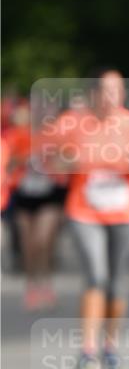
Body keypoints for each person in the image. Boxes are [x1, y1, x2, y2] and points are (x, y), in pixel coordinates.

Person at [44, 70, 129, 369]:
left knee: (117, 284)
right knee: (96, 276)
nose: (111, 97)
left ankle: (110, 345)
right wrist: (79, 159)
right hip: (84, 211)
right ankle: (87, 349)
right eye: (105, 91)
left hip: (125, 211)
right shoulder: (73, 122)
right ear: (94, 94)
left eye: (116, 91)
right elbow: (51, 161)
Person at [4, 99, 67, 310]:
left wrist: (54, 161)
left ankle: (46, 282)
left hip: (49, 195)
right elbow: (9, 163)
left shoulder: (58, 136)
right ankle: (31, 285)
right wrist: (27, 158)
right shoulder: (20, 135)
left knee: (43, 241)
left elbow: (67, 162)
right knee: (29, 245)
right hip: (24, 195)